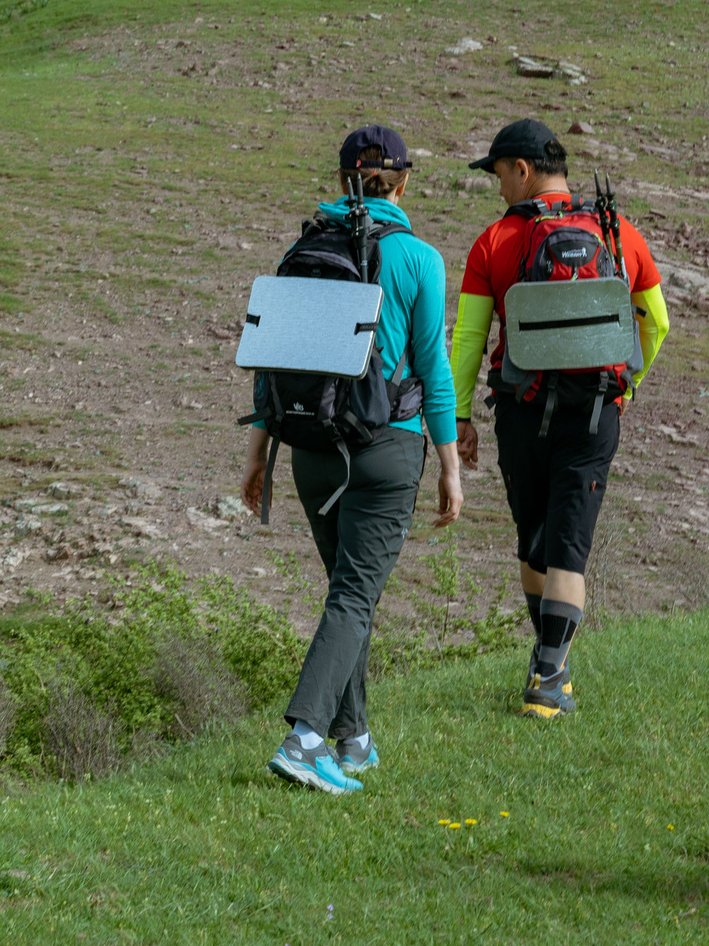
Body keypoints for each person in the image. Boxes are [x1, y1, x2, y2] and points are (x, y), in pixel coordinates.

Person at [240, 125, 461, 794]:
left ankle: (354, 739)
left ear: (342, 179)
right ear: (403, 182)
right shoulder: (420, 258)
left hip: (307, 449)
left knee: (347, 596)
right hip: (387, 447)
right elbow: (434, 368)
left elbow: (269, 362)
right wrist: (450, 464)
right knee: (355, 596)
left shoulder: (300, 248)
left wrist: (258, 456)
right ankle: (305, 739)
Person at [449, 119, 668, 719]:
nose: (497, 188)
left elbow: (469, 339)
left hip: (521, 413)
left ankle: (548, 667)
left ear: (522, 170)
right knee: (569, 543)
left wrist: (458, 416)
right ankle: (551, 676)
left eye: (498, 175)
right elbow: (657, 323)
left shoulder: (493, 243)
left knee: (535, 540)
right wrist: (628, 388)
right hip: (596, 412)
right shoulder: (618, 230)